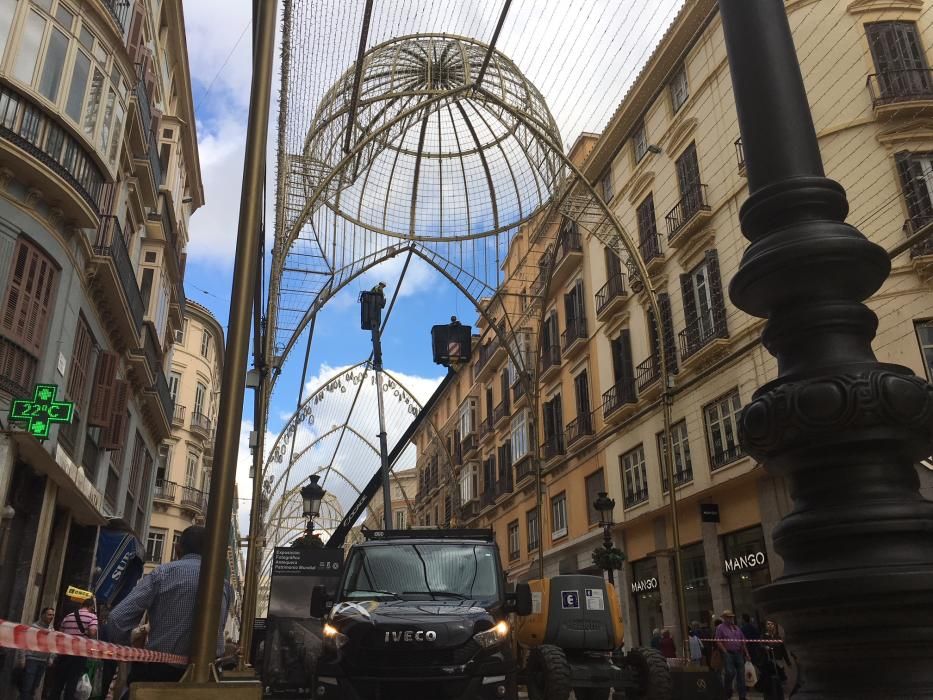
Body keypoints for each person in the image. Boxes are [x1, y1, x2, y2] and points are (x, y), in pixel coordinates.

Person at [105, 526, 231, 688]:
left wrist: (129, 651)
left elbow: (117, 618)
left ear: (177, 549)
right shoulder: (224, 585)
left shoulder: (163, 573)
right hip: (209, 680)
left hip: (160, 676)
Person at [50, 597, 98, 700]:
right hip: (79, 654)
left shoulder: (68, 616)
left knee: (58, 682)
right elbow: (92, 633)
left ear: (82, 605)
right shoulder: (92, 617)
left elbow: (60, 634)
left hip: (64, 653)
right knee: (72, 683)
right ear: (91, 607)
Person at [15, 606, 54, 699]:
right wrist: (22, 658)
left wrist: (51, 657)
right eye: (49, 614)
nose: (51, 617)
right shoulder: (33, 628)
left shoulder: (51, 630)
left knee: (34, 687)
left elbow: (52, 645)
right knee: (27, 687)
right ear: (43, 615)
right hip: (32, 659)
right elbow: (23, 642)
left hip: (43, 661)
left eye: (52, 615)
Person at [715, 610, 750, 700]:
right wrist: (724, 651)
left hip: (738, 653)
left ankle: (742, 696)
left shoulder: (736, 628)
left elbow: (743, 641)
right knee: (730, 672)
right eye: (728, 617)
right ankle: (728, 690)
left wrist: (746, 653)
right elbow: (718, 640)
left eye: (731, 617)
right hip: (728, 653)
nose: (730, 619)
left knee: (741, 675)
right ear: (724, 618)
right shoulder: (720, 627)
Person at [760, 620, 791, 700]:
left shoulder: (778, 637)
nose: (770, 626)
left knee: (781, 680)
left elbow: (783, 650)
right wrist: (765, 648)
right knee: (770, 681)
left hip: (778, 661)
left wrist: (788, 662)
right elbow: (761, 646)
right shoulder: (764, 637)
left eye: (772, 624)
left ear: (774, 626)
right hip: (769, 662)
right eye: (768, 624)